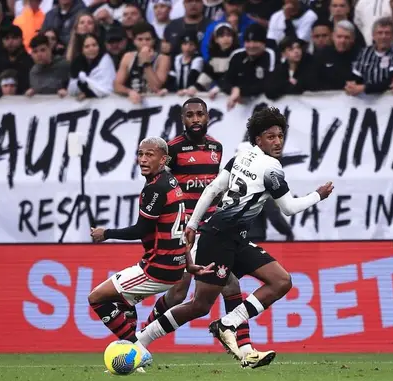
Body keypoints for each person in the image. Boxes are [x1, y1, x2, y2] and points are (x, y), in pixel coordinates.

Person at [133, 107, 334, 368]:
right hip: (218, 239)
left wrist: (194, 224)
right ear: (258, 139)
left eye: (280, 136)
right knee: (199, 305)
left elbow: (214, 187)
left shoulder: (242, 156)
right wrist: (318, 195)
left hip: (233, 238)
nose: (277, 142)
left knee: (281, 281)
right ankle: (140, 341)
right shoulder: (271, 168)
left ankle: (229, 325)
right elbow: (288, 208)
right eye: (270, 137)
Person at [143, 97, 274, 363]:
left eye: (199, 114)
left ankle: (246, 350)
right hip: (184, 229)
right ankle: (140, 339)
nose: (194, 119)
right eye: (189, 115)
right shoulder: (173, 149)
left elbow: (216, 187)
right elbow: (159, 184)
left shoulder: (216, 147)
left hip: (212, 227)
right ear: (183, 120)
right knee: (180, 293)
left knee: (231, 284)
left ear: (207, 116)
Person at [88, 136, 213, 370]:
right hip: (173, 266)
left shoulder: (156, 188)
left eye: (150, 155)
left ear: (163, 159)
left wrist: (106, 233)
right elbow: (182, 228)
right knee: (123, 303)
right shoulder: (172, 182)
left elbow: (141, 229)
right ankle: (133, 359)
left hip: (157, 268)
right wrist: (189, 264)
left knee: (96, 298)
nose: (143, 159)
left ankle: (137, 350)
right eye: (140, 154)